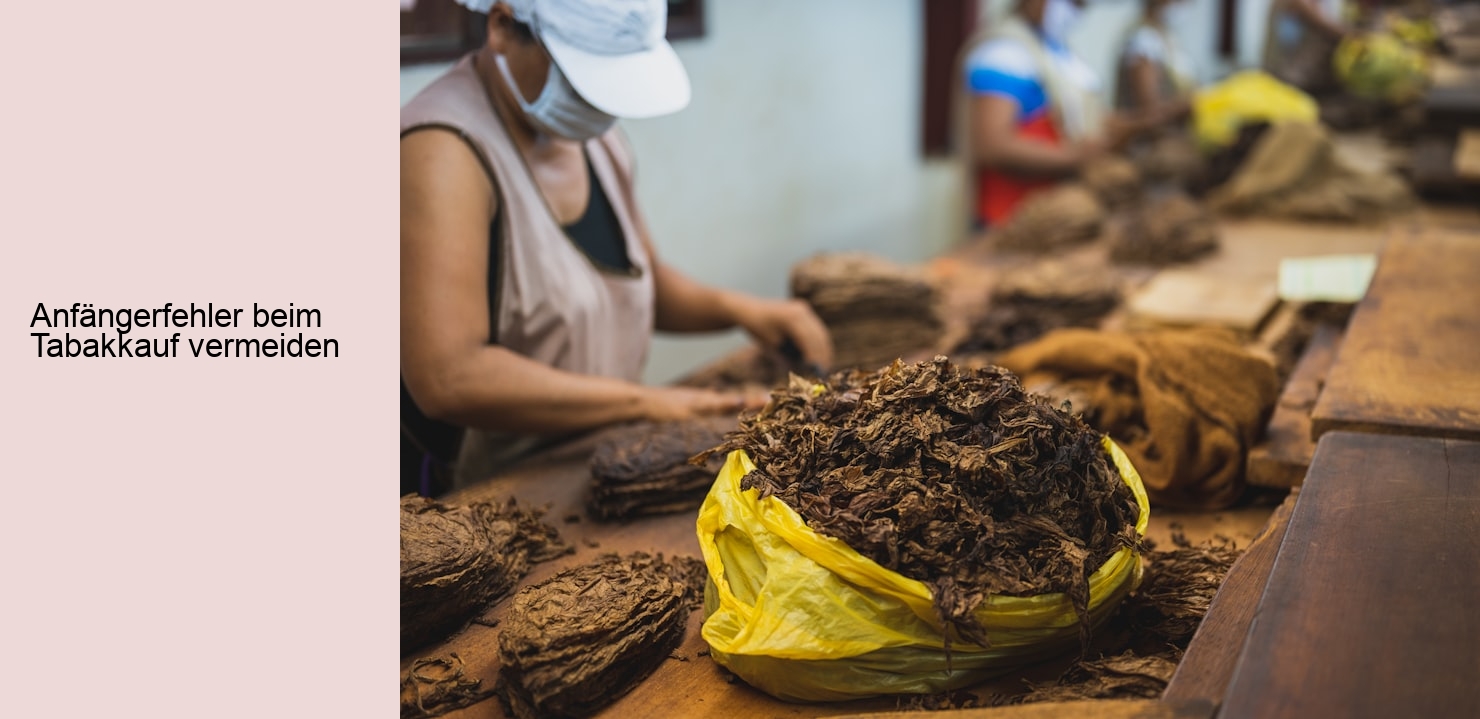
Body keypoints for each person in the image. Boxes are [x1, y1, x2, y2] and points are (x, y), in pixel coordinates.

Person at [400, 0, 832, 496]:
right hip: (483, 487)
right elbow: (449, 377)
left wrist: (741, 310)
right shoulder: (439, 152)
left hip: (589, 458)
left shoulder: (591, 137)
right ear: (500, 26)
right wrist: (643, 402)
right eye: (580, 79)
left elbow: (634, 284)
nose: (599, 106)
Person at [962, 0, 1171, 227]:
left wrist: (1133, 126)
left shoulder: (1056, 50)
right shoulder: (1004, 52)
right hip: (1013, 217)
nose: (1077, 11)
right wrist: (1079, 157)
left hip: (1062, 210)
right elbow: (994, 145)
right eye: (1073, 2)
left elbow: (1077, 118)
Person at [1116, 0, 1197, 122]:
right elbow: (1151, 111)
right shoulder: (1143, 40)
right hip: (1149, 133)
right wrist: (1195, 102)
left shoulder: (1167, 36)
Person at [1263, 0, 1353, 93]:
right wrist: (1357, 36)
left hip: (1311, 84)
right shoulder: (1299, 3)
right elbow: (1324, 26)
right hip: (1287, 82)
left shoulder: (1328, 5)